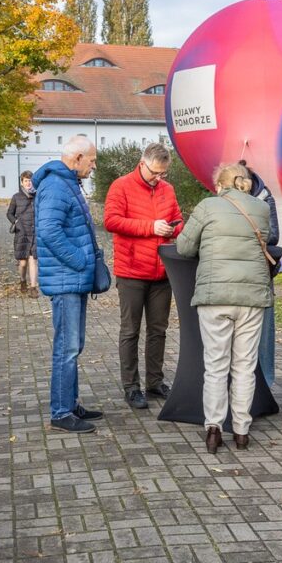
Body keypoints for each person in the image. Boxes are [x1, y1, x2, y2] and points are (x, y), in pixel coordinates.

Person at [176, 163, 273, 453]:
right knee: (244, 366)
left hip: (215, 294)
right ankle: (242, 431)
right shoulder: (261, 209)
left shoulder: (208, 207)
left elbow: (183, 247)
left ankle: (214, 429)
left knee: (216, 366)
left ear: (220, 185)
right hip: (251, 296)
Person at [33, 136, 104, 433]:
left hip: (72, 279)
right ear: (76, 158)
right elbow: (48, 229)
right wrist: (79, 260)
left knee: (74, 345)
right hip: (66, 279)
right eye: (92, 161)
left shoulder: (67, 183)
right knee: (67, 347)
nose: (93, 167)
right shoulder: (56, 185)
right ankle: (61, 412)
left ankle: (70, 403)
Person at [104, 143, 183, 409]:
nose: (157, 178)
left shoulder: (167, 190)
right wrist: (151, 227)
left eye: (162, 173)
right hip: (132, 271)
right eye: (154, 173)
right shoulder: (121, 186)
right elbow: (111, 221)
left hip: (161, 271)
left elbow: (178, 220)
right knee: (130, 330)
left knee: (158, 330)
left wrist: (174, 229)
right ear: (142, 163)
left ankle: (155, 381)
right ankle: (131, 386)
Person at [239, 160, 280, 388]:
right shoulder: (224, 199)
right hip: (237, 273)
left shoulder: (265, 197)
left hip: (260, 272)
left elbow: (273, 235)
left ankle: (265, 383)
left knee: (264, 330)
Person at [7, 170, 38, 298]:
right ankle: (22, 280)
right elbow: (9, 213)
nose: (28, 183)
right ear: (22, 182)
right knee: (23, 263)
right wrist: (16, 222)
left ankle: (33, 287)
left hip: (35, 232)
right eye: (26, 181)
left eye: (30, 180)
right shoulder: (16, 197)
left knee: (33, 260)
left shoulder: (38, 196)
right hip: (22, 233)